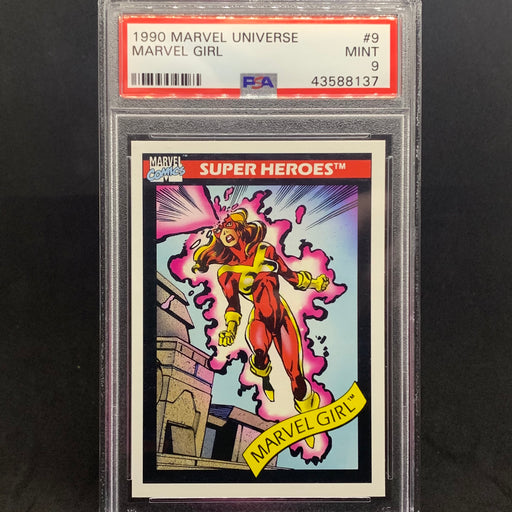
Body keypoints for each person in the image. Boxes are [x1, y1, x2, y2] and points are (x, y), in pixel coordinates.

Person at [192, 209, 329, 428]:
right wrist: (230, 330)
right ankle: (262, 367)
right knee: (259, 352)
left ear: (240, 230)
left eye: (228, 228)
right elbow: (233, 306)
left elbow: (291, 277)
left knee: (297, 377)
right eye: (221, 233)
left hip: (282, 318)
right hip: (259, 321)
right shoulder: (226, 273)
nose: (224, 234)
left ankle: (308, 416)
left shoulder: (266, 250)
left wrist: (314, 283)